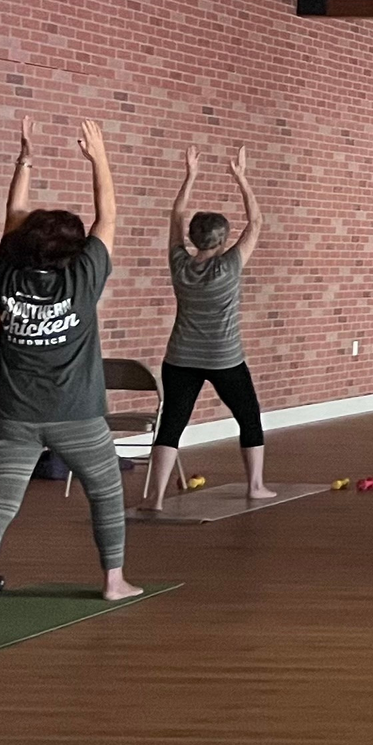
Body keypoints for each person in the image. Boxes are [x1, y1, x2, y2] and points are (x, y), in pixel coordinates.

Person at [0, 118, 142, 630]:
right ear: (74, 251)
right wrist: (100, 156)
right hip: (77, 416)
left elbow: (13, 215)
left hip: (11, 419)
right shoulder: (84, 277)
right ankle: (113, 582)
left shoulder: (7, 273)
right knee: (107, 492)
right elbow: (108, 216)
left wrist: (24, 159)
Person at [140, 145, 271, 510]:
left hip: (180, 357)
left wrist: (190, 174)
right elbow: (257, 223)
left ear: (195, 239)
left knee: (173, 423)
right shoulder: (229, 267)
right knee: (249, 418)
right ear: (224, 240)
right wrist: (241, 178)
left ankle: (157, 496)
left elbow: (176, 216)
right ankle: (255, 486)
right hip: (224, 358)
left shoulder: (179, 262)